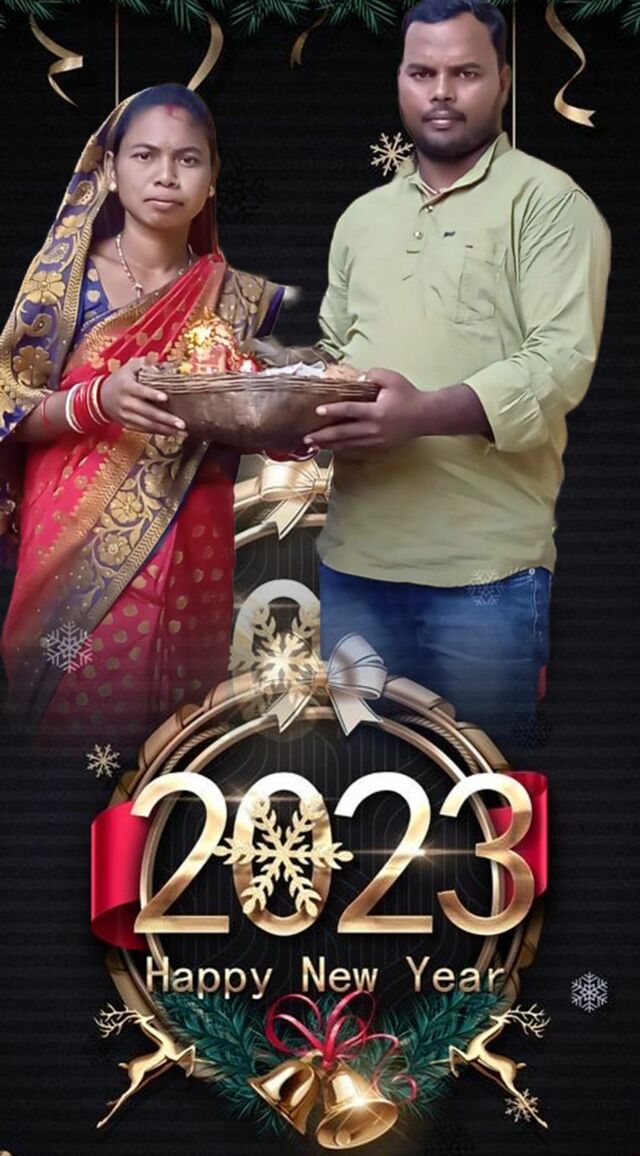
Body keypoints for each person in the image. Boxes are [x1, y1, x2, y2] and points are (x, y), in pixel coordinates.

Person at [307, 0, 611, 744]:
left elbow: (560, 363)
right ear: (400, 82)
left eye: (465, 73)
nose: (441, 91)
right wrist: (294, 413)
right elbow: (333, 356)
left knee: (481, 789)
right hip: (354, 566)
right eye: (422, 73)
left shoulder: (549, 204)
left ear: (503, 81)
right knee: (356, 783)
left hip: (485, 576)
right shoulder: (360, 220)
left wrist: (420, 414)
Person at [0, 83, 285, 745]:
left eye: (188, 159)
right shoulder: (64, 282)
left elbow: (248, 411)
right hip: (71, 552)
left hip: (193, 547)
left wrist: (286, 425)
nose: (165, 175)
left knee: (174, 746)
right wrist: (97, 400)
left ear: (211, 180)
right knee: (77, 742)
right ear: (109, 168)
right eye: (144, 155)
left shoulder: (237, 299)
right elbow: (9, 407)